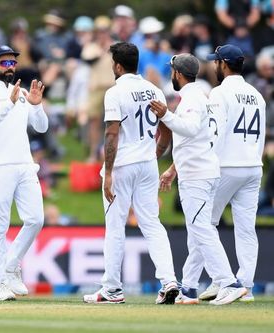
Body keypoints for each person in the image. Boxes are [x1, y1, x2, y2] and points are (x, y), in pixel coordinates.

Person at [83, 42, 178, 305]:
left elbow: (111, 133)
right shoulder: (154, 89)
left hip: (123, 165)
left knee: (115, 226)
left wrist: (109, 172)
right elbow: (166, 129)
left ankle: (112, 289)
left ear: (117, 65)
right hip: (147, 164)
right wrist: (154, 155)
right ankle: (169, 280)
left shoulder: (114, 93)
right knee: (152, 223)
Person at [150, 53, 247, 305]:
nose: (171, 75)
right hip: (202, 170)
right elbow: (194, 140)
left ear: (178, 74)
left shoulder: (192, 97)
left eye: (172, 71)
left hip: (198, 175)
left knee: (201, 230)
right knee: (198, 231)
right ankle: (189, 288)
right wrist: (173, 169)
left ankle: (229, 282)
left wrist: (165, 116)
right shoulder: (196, 96)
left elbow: (190, 129)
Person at [0, 45, 48, 301]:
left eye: (12, 63)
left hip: (25, 165)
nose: (10, 67)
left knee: (36, 219)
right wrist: (9, 104)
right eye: (4, 63)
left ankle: (12, 266)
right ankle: (0, 282)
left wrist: (36, 106)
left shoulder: (22, 93)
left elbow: (41, 127)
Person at [195, 45, 266, 303]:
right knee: (246, 229)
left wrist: (208, 165)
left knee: (202, 223)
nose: (214, 66)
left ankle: (224, 280)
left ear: (224, 64)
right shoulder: (256, 94)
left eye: (216, 62)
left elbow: (216, 133)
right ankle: (244, 284)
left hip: (226, 165)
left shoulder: (219, 92)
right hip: (252, 166)